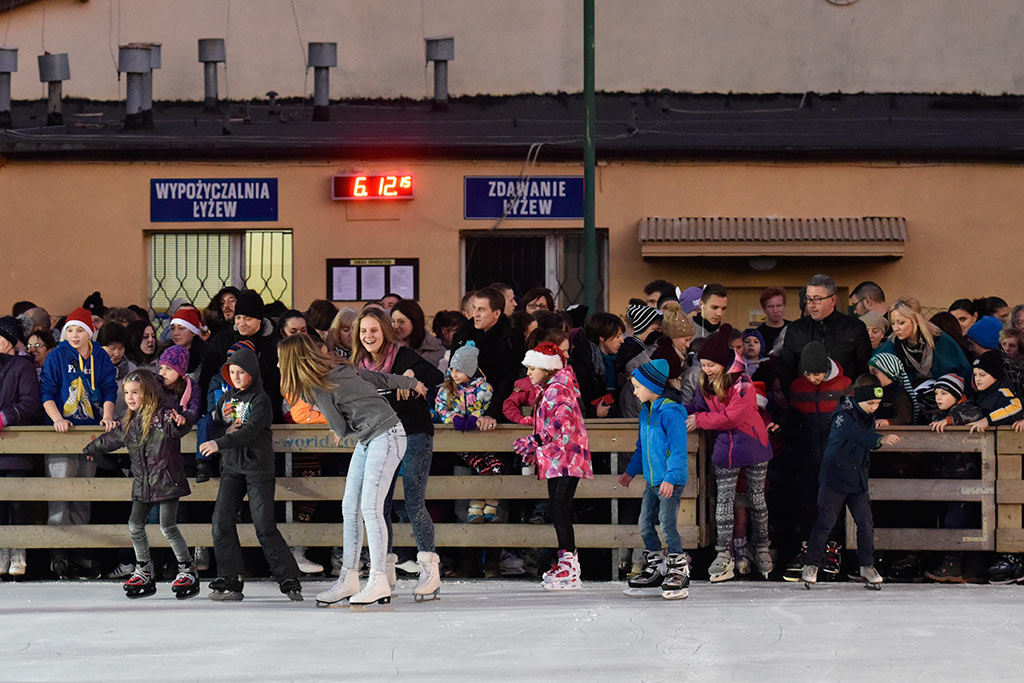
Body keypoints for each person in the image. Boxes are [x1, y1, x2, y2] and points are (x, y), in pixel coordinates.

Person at [276, 335, 425, 607]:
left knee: (370, 507)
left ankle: (378, 579)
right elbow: (378, 379)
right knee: (350, 506)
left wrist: (335, 422)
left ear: (292, 362)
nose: (277, 364)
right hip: (372, 437)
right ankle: (349, 578)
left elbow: (340, 428)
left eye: (280, 360)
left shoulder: (319, 386)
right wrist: (411, 383)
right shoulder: (339, 367)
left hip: (386, 435)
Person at [197, 345, 303, 602]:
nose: (236, 377)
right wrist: (220, 431)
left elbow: (249, 431)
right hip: (232, 469)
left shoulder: (260, 400)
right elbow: (213, 422)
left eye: (241, 372)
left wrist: (219, 443)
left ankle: (288, 577)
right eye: (232, 372)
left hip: (257, 469)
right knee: (221, 522)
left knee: (264, 525)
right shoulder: (226, 399)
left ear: (252, 373)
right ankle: (230, 577)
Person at [352, 308, 445, 600]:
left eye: (374, 330)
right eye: (363, 331)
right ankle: (384, 569)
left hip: (414, 432)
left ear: (385, 332)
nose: (368, 336)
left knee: (413, 500)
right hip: (381, 437)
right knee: (381, 503)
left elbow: (437, 375)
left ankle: (429, 568)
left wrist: (411, 374)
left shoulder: (403, 356)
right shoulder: (358, 365)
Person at [82, 369, 199, 599]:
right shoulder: (130, 421)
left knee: (168, 527)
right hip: (143, 482)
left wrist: (182, 422)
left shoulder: (164, 415)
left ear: (148, 392)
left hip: (166, 480)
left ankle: (187, 568)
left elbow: (178, 427)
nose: (130, 397)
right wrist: (92, 448)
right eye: (126, 393)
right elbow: (113, 438)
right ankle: (144, 569)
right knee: (135, 525)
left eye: (135, 392)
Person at [687, 324, 773, 582]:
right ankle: (723, 553)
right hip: (726, 449)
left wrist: (700, 420)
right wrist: (674, 411)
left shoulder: (742, 382)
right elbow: (696, 406)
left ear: (723, 363)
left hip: (753, 445)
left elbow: (733, 417)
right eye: (703, 364)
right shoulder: (705, 382)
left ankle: (761, 547)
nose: (706, 369)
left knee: (756, 499)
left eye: (711, 364)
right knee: (724, 500)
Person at [800, 374, 900, 588]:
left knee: (865, 523)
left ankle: (867, 565)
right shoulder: (843, 416)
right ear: (860, 398)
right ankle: (811, 564)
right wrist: (879, 439)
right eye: (871, 403)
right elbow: (856, 435)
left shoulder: (867, 415)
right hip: (835, 478)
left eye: (877, 403)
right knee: (826, 522)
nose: (874, 408)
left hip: (857, 480)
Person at [40, 307, 118, 578]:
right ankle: (58, 552)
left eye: (80, 330)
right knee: (61, 493)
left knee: (83, 495)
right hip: (63, 435)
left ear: (90, 333)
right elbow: (47, 391)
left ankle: (79, 551)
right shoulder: (57, 356)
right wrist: (57, 419)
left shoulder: (100, 357)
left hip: (89, 435)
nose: (75, 335)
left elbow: (109, 388)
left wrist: (107, 416)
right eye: (70, 330)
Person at [513, 342, 592, 591]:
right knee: (557, 509)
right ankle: (566, 559)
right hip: (558, 459)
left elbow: (562, 424)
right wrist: (534, 438)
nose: (528, 373)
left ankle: (570, 563)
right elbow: (548, 420)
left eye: (532, 368)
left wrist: (535, 440)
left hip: (567, 458)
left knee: (559, 509)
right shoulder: (549, 389)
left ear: (547, 369)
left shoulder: (558, 390)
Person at [780, 341, 852, 580]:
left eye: (817, 374)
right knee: (807, 503)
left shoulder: (844, 385)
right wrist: (781, 424)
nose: (813, 379)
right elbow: (793, 414)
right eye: (808, 374)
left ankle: (832, 549)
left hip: (835, 456)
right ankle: (807, 549)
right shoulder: (798, 387)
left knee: (832, 504)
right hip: (807, 455)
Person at [618, 358, 690, 599]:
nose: (635, 391)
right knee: (644, 525)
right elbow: (642, 447)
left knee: (667, 525)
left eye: (638, 387)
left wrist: (670, 478)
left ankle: (679, 569)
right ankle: (658, 566)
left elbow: (678, 450)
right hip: (652, 481)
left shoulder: (671, 413)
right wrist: (631, 471)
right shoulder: (646, 413)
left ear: (652, 387)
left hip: (670, 482)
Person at [435, 343, 502, 522]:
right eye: (452, 369)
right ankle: (475, 508)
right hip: (460, 443)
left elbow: (488, 407)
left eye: (459, 370)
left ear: (470, 369)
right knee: (477, 468)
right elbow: (440, 408)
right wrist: (453, 418)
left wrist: (476, 416)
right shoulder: (447, 389)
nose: (454, 374)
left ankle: (491, 507)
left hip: (482, 440)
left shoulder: (484, 389)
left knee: (493, 467)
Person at [778, 273, 872, 396]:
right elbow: (786, 371)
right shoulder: (795, 329)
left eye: (817, 299)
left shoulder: (854, 328)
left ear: (833, 300)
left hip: (845, 400)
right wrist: (796, 399)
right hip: (805, 401)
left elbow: (863, 370)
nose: (811, 305)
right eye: (808, 299)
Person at [200, 289, 283, 422]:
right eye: (238, 318)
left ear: (259, 319)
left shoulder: (272, 343)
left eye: (248, 319)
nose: (242, 323)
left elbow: (275, 382)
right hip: (228, 412)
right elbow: (208, 377)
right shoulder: (222, 340)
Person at [0, 316, 41, 578]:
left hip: (15, 444)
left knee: (15, 501)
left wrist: (5, 417)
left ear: (9, 340)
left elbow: (30, 402)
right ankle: (2, 552)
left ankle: (18, 552)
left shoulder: (22, 367)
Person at [450, 286, 525, 428]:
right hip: (464, 412)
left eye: (481, 310)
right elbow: (453, 374)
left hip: (499, 412)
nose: (475, 314)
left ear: (496, 313)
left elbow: (508, 380)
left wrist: (491, 414)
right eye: (474, 308)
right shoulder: (461, 336)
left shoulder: (512, 339)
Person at [876, 297, 970, 387]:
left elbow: (963, 372)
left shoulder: (941, 341)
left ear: (916, 320)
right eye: (893, 323)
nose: (896, 328)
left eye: (901, 323)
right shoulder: (891, 346)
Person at [570, 312, 626, 418]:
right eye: (617, 336)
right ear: (602, 337)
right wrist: (594, 412)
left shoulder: (619, 361)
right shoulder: (584, 360)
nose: (621, 340)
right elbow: (580, 397)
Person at [964, 351, 1023, 432]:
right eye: (975, 375)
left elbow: (1015, 407)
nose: (977, 379)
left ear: (995, 376)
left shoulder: (1003, 393)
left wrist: (987, 420)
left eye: (982, 375)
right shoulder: (978, 394)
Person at [391, 299, 446, 369]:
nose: (395, 326)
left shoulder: (434, 349)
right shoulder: (389, 346)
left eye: (401, 322)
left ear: (415, 322)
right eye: (393, 321)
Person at [868, 352, 917, 425]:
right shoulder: (872, 392)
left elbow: (905, 418)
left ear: (888, 371)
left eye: (875, 372)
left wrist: (888, 422)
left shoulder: (900, 395)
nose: (871, 376)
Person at [165, 306, 207, 382]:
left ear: (193, 332)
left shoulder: (205, 355)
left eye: (181, 328)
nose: (175, 333)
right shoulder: (165, 352)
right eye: (173, 328)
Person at [756, 287, 789, 355]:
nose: (775, 310)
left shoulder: (793, 329)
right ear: (764, 309)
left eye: (779, 306)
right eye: (770, 306)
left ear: (784, 306)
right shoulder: (758, 334)